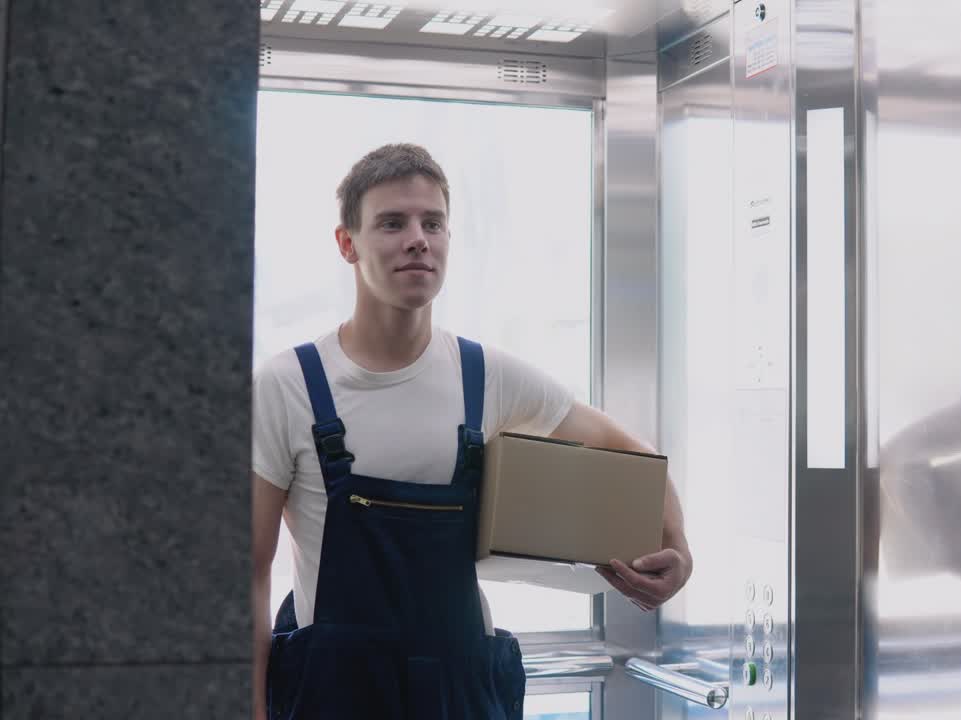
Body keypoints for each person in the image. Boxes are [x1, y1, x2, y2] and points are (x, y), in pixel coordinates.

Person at [251, 143, 693, 719]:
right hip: (332, 696)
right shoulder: (288, 386)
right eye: (392, 223)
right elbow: (248, 575)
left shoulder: (485, 378)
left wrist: (678, 547)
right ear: (347, 243)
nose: (418, 239)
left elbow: (632, 454)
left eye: (433, 223)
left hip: (460, 694)